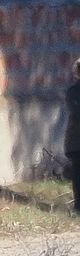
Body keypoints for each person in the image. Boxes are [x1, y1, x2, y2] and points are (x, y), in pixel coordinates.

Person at [66, 58, 80, 213]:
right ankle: (78, 206)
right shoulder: (74, 92)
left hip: (75, 142)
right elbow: (76, 111)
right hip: (76, 141)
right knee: (77, 175)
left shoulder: (72, 91)